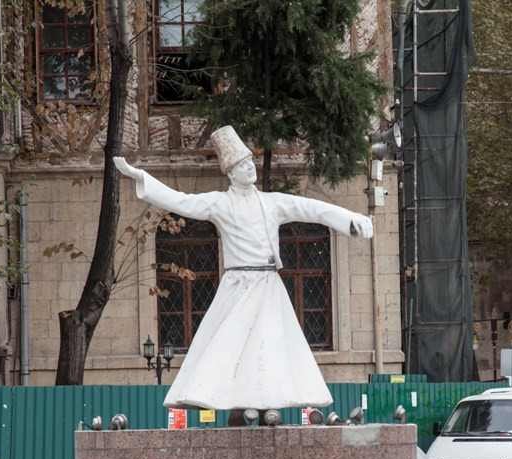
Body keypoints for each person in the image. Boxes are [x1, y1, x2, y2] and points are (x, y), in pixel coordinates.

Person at [112, 126, 373, 414]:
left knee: (270, 345)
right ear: (231, 172)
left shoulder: (272, 203)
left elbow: (312, 208)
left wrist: (350, 219)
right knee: (230, 344)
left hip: (269, 284)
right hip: (239, 285)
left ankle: (262, 404)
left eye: (250, 162)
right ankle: (238, 405)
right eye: (242, 165)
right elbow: (182, 202)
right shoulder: (220, 203)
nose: (250, 168)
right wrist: (143, 179)